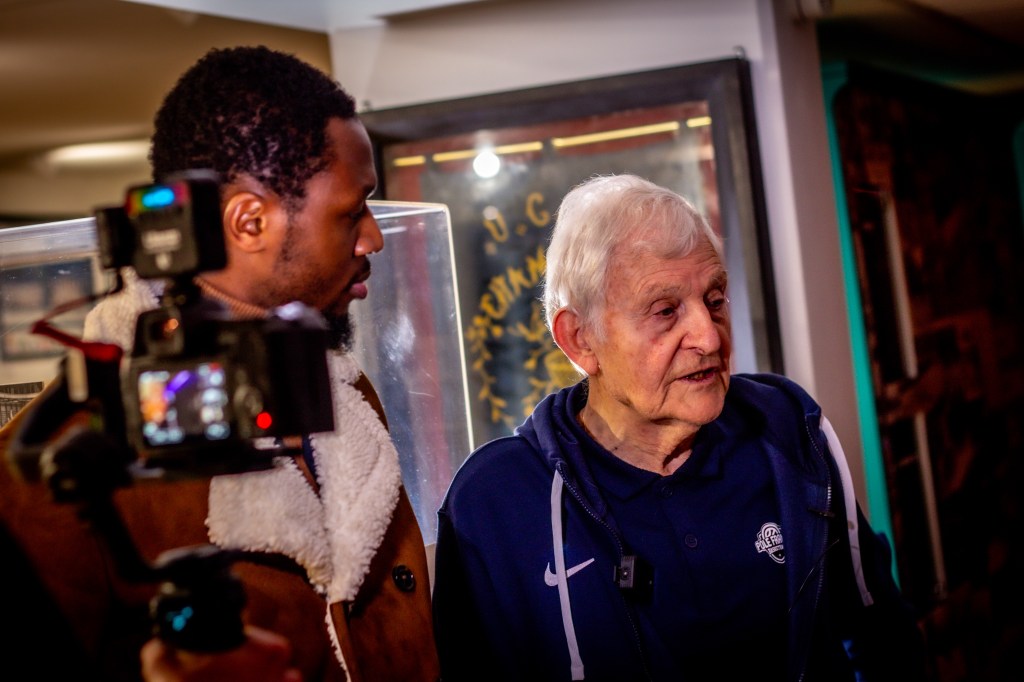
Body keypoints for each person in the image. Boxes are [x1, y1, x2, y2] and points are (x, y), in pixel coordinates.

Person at [0, 46, 439, 682]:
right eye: (352, 210)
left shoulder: (348, 397)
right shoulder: (55, 467)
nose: (372, 237)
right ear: (248, 220)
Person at [431, 174, 926, 681]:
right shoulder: (493, 503)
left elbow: (882, 635)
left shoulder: (789, 428)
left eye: (714, 300)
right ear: (580, 340)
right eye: (665, 311)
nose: (709, 338)